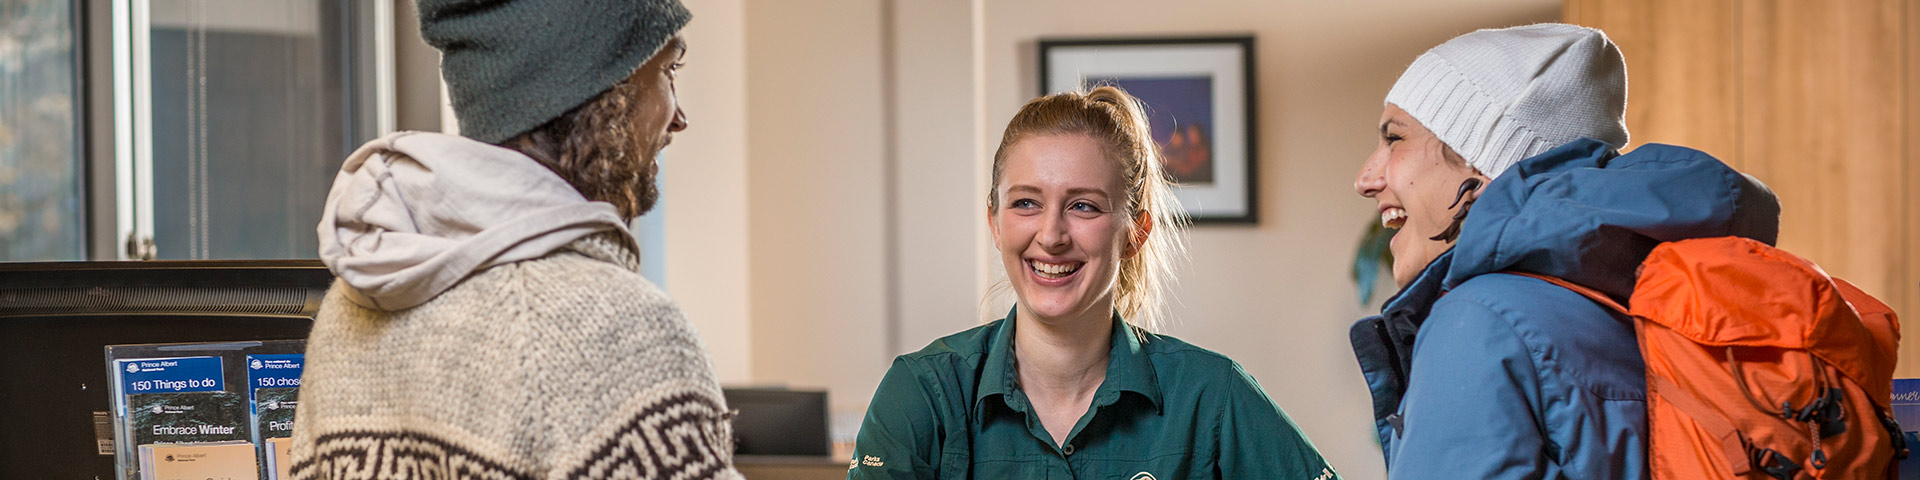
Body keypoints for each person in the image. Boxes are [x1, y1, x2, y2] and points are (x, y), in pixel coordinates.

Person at [290, 1, 741, 478]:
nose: (679, 118)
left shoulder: (348, 309)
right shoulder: (615, 329)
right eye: (669, 70)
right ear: (608, 97)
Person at [1349, 23, 1780, 479]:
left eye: (1395, 138)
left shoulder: (1482, 322)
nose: (1365, 178)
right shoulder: (1639, 307)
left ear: (1483, 157)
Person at [847, 86, 1336, 480]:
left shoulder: (1213, 396)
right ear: (994, 223)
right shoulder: (923, 394)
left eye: (1083, 205)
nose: (1052, 235)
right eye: (1025, 203)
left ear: (1134, 233)